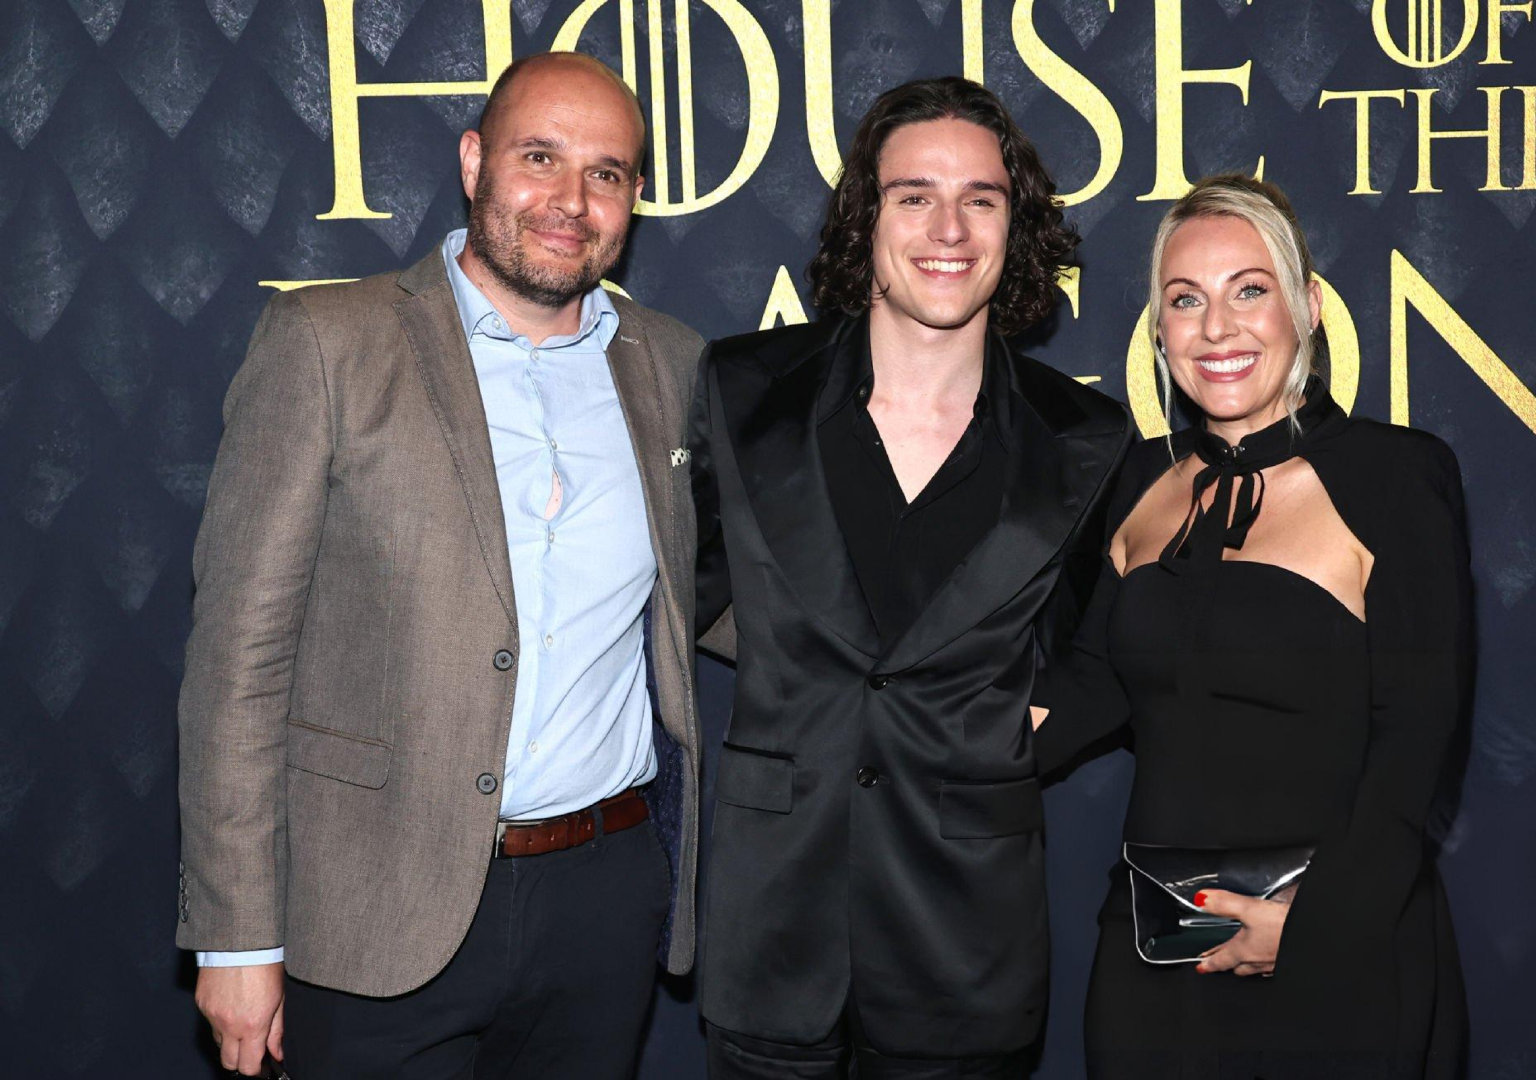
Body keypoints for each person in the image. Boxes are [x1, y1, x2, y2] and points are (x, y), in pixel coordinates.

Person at [177, 52, 709, 1078]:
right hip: (373, 901)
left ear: (634, 198)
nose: (571, 200)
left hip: (600, 903)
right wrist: (235, 936)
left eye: (605, 173)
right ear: (473, 163)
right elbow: (238, 662)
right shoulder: (329, 341)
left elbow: (724, 588)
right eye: (539, 157)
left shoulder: (673, 364)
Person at [689, 76, 1132, 1078]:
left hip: (964, 939)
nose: (949, 229)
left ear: (1015, 226)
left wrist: (1019, 730)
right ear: (866, 216)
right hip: (772, 927)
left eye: (981, 199)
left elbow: (1108, 645)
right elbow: (688, 588)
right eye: (913, 196)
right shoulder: (741, 390)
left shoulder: (1084, 438)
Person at [1032, 173, 1471, 1079]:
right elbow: (1089, 686)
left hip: (1339, 955)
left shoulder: (1395, 477)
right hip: (1156, 960)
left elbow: (1417, 746)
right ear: (1160, 330)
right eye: (1185, 299)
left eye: (1249, 290)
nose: (1217, 328)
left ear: (1307, 307)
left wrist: (1313, 928)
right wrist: (925, 721)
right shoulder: (1135, 480)